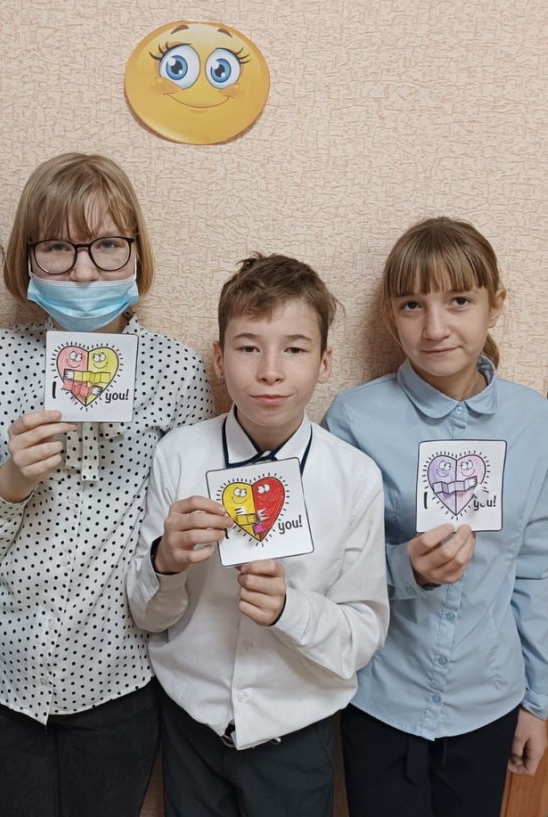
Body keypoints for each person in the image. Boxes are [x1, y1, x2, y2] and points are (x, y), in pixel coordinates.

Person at [0, 152, 213, 817]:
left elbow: (181, 553)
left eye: (108, 245)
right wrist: (10, 480)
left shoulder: (177, 372)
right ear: (28, 260)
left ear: (136, 252)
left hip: (118, 679)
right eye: (58, 248)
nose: (84, 271)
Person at [127, 253, 389, 817]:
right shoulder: (178, 456)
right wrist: (165, 563)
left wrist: (290, 610)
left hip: (297, 733)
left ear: (325, 362)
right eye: (248, 348)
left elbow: (362, 636)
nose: (270, 370)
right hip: (190, 727)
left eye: (294, 349)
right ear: (219, 360)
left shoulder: (355, 477)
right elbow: (148, 617)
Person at [323, 217, 548, 817]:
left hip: (491, 699)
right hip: (381, 697)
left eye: (459, 301)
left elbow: (536, 571)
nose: (435, 327)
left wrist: (539, 702)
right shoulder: (354, 418)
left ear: (496, 305)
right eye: (412, 305)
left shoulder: (534, 422)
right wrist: (405, 569)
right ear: (390, 315)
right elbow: (327, 565)